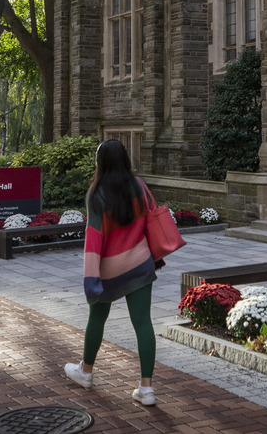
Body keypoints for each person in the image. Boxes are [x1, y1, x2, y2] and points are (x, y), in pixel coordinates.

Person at [64, 139, 162, 406]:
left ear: (100, 162)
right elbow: (149, 220)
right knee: (143, 323)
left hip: (110, 270)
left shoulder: (96, 195)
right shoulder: (139, 185)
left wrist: (91, 280)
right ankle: (147, 389)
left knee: (97, 318)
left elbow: (93, 241)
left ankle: (86, 372)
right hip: (140, 263)